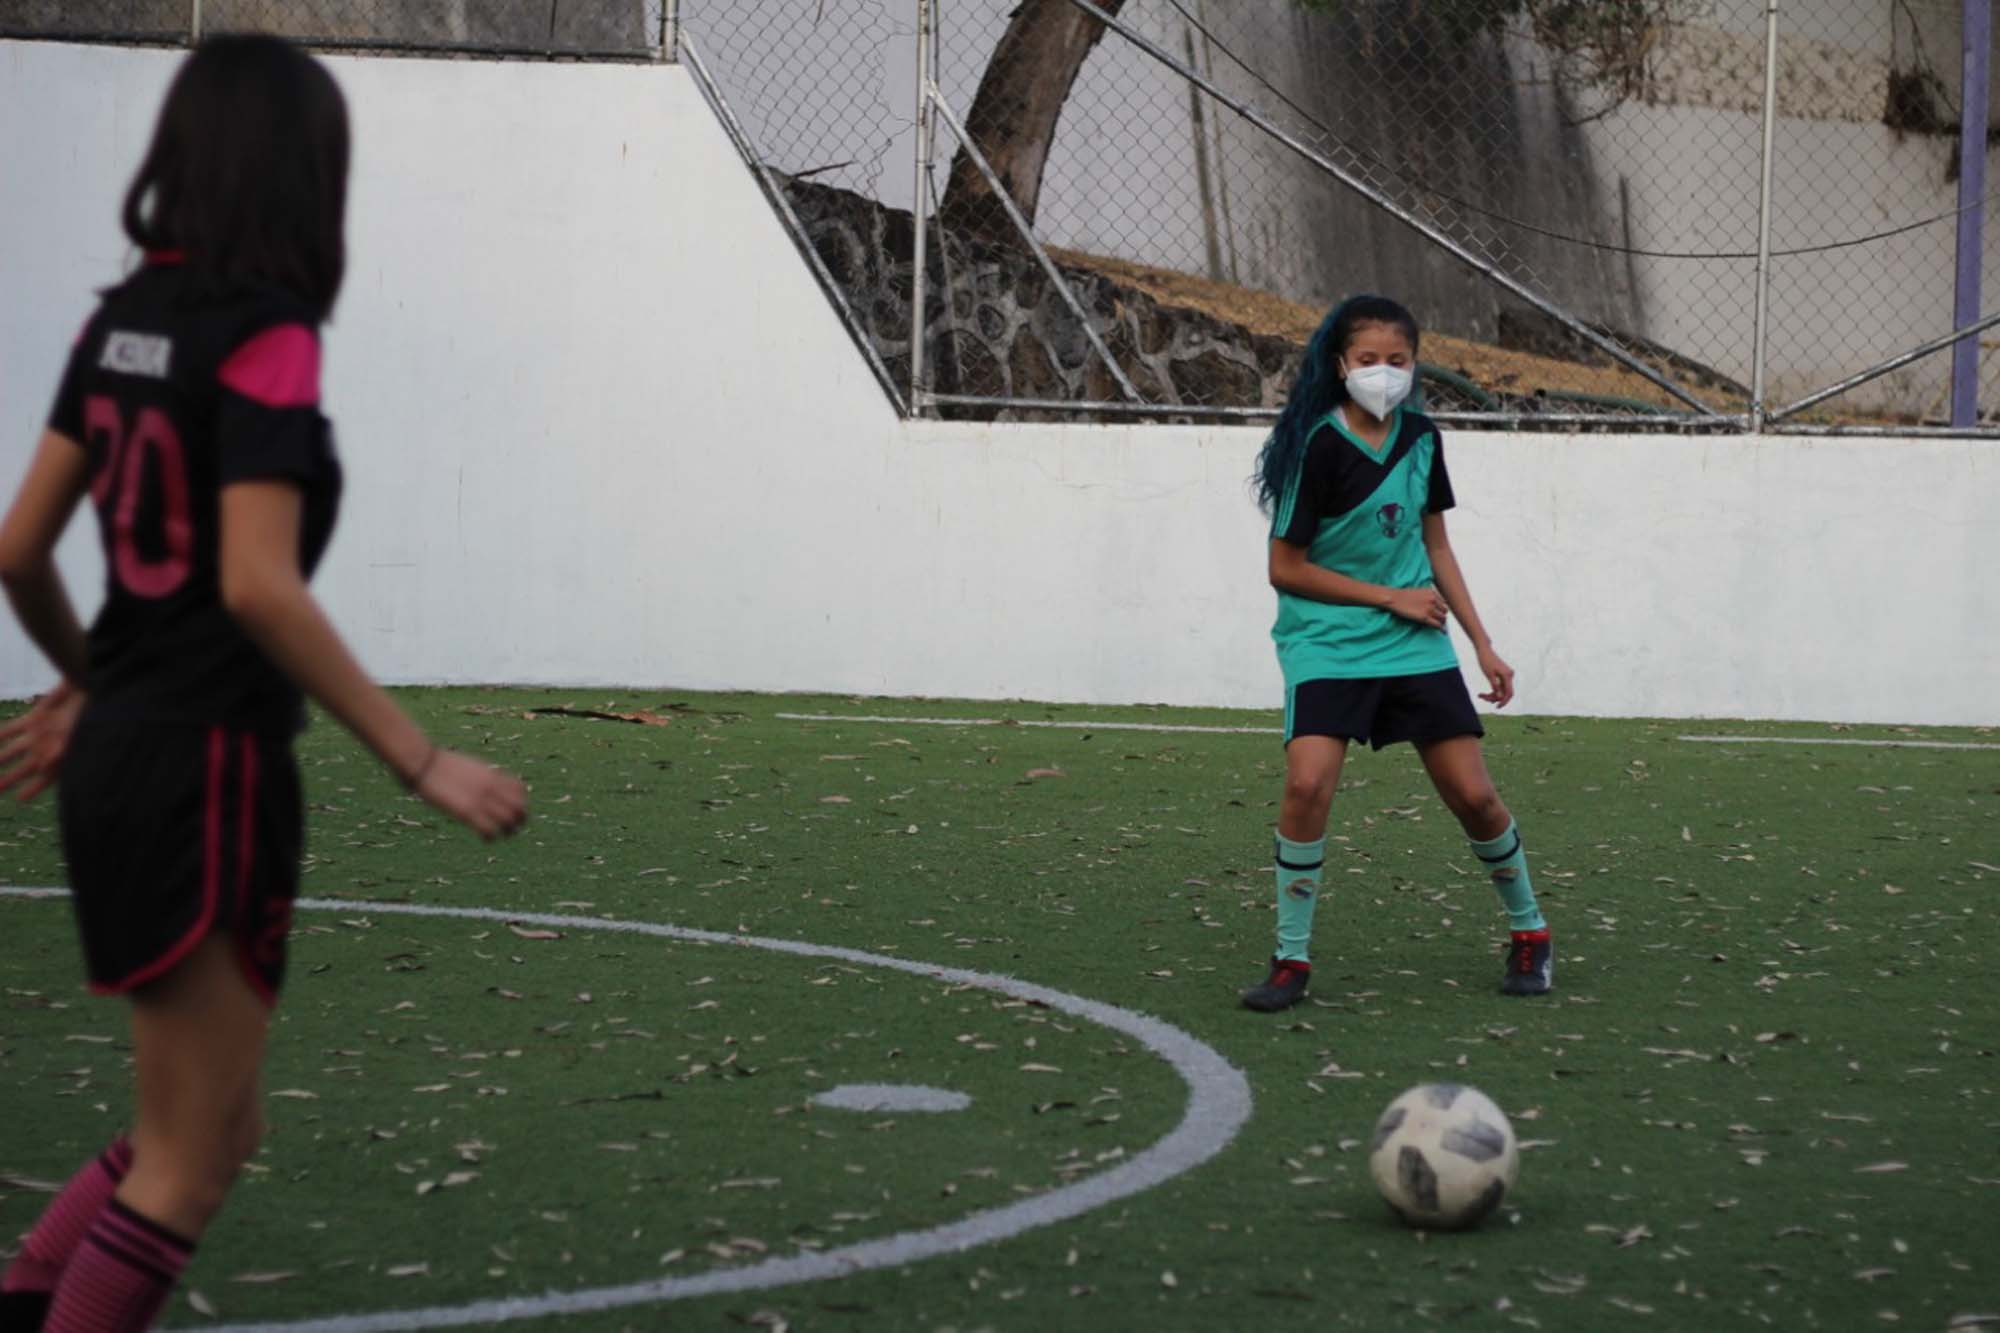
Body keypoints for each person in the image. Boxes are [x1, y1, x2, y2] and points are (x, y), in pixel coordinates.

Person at [0, 36, 528, 1331]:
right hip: (207, 771)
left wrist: (93, 681)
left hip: (122, 755)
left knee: (210, 1128)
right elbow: (256, 583)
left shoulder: (117, 322)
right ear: (304, 178)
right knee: (184, 1166)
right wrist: (420, 757)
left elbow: (17, 549)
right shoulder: (268, 334)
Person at [1240, 295, 1551, 1013]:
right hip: (1327, 639)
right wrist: (1389, 598)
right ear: (1340, 364)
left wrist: (1482, 641)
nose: (1384, 372)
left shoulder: (1422, 438)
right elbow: (1285, 568)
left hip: (1414, 641)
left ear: (1416, 365)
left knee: (1473, 795)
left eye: (1399, 360)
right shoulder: (1315, 445)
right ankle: (1291, 959)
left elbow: (1436, 545)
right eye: (1369, 359)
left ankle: (1531, 931)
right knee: (1307, 786)